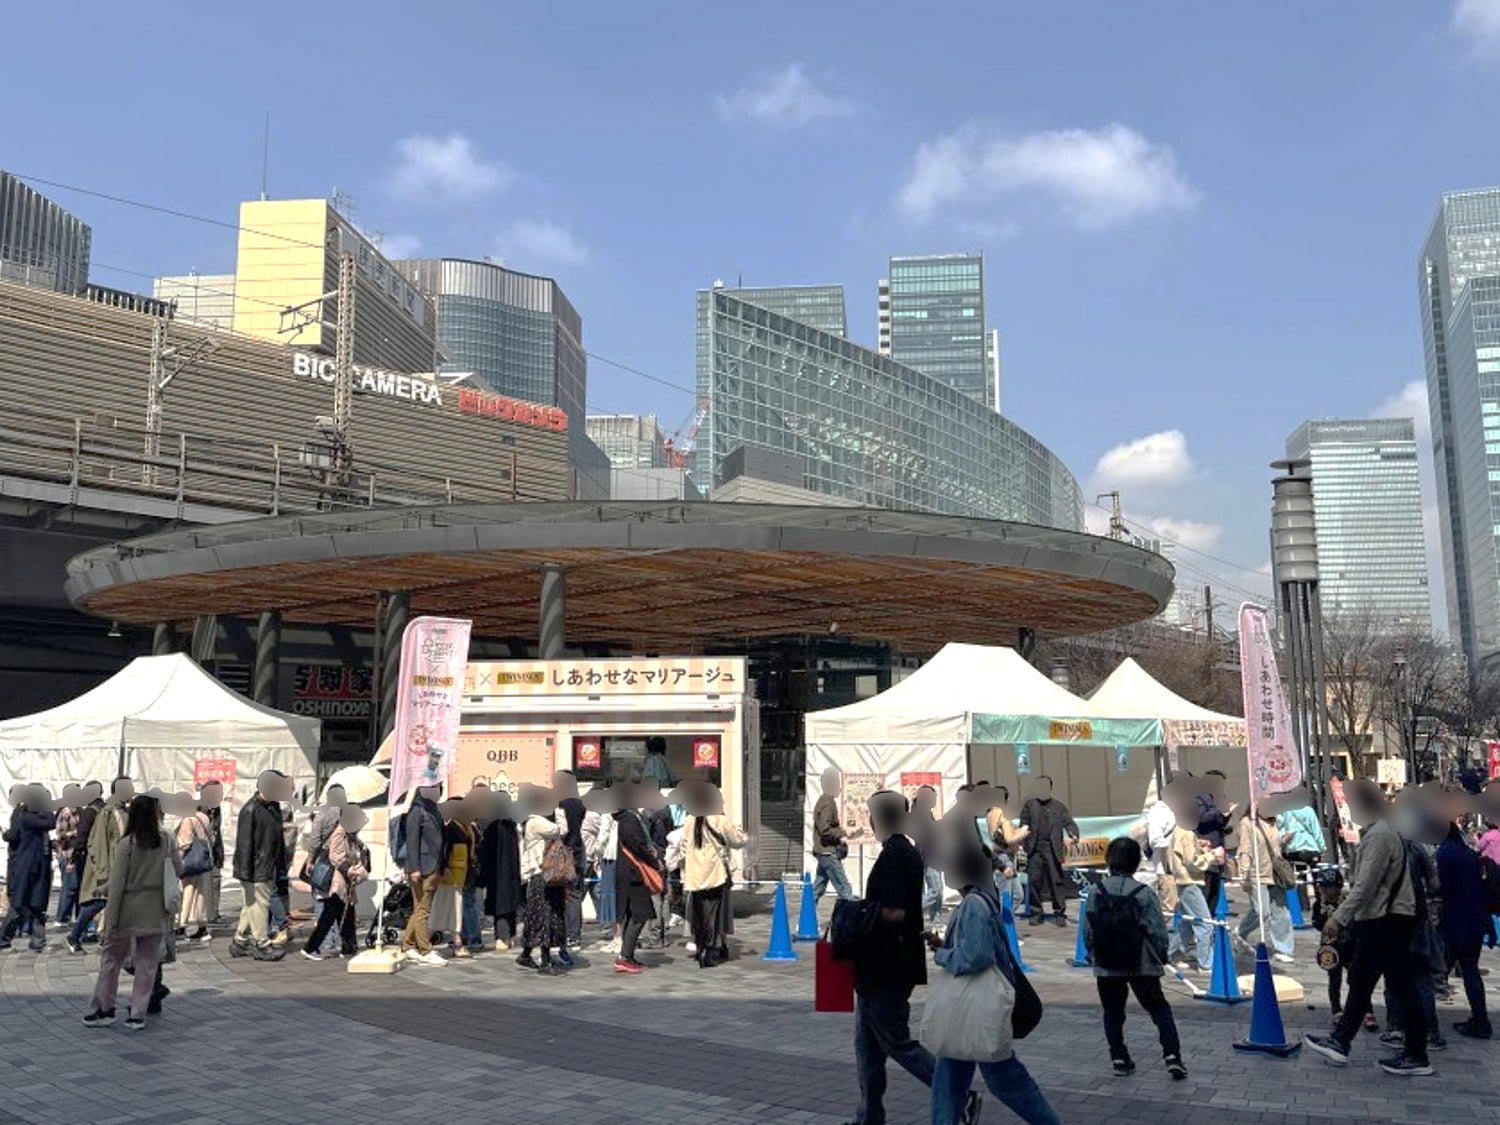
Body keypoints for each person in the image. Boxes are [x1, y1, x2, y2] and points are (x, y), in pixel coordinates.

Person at [927, 811, 1061, 1125]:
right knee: (953, 1079)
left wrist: (943, 955)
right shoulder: (979, 900)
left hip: (976, 1008)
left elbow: (976, 956)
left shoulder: (974, 904)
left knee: (1005, 1080)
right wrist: (945, 945)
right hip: (970, 1011)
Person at [1304, 779, 1432, 1076]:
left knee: (1391, 985)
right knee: (1371, 982)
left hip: (1384, 920)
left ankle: (1413, 1054)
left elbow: (1365, 886)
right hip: (1389, 919)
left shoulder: (1380, 836)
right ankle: (1344, 1042)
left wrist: (1338, 918)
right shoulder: (1385, 832)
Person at [842, 790, 934, 1125]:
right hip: (879, 967)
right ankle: (869, 1117)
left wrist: (857, 912)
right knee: (868, 1049)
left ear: (879, 817)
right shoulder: (900, 851)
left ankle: (955, 1090)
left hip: (888, 966)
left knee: (896, 1041)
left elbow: (896, 912)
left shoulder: (897, 854)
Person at [1083, 837, 1187, 1079]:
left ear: (1108, 861)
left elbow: (1088, 930)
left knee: (1112, 1012)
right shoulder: (1144, 893)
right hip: (1142, 962)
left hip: (1107, 963)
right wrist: (1162, 956)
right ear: (1135, 863)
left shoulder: (1096, 891)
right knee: (1159, 1009)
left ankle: (1119, 1058)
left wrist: (1092, 954)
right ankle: (1172, 1056)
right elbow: (1157, 931)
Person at [83, 794, 182, 1030]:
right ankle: (138, 1013)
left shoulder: (127, 844)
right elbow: (179, 868)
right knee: (147, 963)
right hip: (156, 908)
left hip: (127, 909)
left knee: (111, 960)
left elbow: (118, 884)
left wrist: (110, 920)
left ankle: (105, 1009)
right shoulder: (166, 841)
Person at [1437, 818, 1492, 1038]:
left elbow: (1440, 887)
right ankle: (1480, 1020)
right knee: (1470, 970)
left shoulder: (1445, 854)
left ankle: (1425, 1029)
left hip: (1455, 921)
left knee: (1435, 973)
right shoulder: (1468, 854)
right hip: (1475, 920)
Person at [681, 788, 747, 968]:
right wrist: (741, 832)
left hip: (695, 876)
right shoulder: (719, 820)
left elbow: (683, 846)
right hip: (714, 875)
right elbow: (737, 841)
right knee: (714, 914)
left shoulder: (690, 820)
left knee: (699, 915)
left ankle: (700, 947)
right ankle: (709, 951)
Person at [70, 777, 133, 954]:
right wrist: (103, 871)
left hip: (123, 865)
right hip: (111, 866)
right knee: (99, 902)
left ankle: (107, 940)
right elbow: (97, 844)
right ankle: (75, 936)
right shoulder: (108, 813)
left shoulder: (126, 812)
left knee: (116, 904)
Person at [231, 770, 287, 961]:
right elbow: (244, 844)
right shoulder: (251, 810)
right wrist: (245, 873)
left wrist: (281, 863)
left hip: (266, 864)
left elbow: (278, 839)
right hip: (256, 867)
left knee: (252, 905)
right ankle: (260, 943)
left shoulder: (273, 806)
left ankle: (239, 941)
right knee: (260, 906)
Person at [300, 806, 369, 961]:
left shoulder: (351, 836)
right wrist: (350, 869)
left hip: (346, 882)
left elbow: (354, 853)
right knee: (329, 916)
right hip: (338, 882)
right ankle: (310, 947)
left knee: (347, 915)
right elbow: (335, 856)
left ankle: (348, 948)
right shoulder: (340, 833)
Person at [517, 788, 567, 974]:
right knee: (544, 915)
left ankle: (526, 954)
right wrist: (559, 812)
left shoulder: (535, 821)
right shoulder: (536, 822)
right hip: (541, 875)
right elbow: (561, 830)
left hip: (544, 874)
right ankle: (545, 961)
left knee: (540, 915)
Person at [1, 785, 56, 951]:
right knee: (20, 904)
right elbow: (50, 822)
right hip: (27, 865)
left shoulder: (33, 813)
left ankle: (38, 942)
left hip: (41, 864)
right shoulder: (26, 815)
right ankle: (3, 938)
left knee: (38, 904)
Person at [614, 788, 662, 974]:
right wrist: (654, 861)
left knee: (632, 915)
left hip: (628, 872)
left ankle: (628, 955)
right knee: (639, 914)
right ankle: (625, 957)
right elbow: (639, 845)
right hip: (633, 874)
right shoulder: (629, 819)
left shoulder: (626, 818)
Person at [1237, 809, 1295, 963]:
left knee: (1281, 912)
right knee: (1261, 912)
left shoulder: (1273, 822)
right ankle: (1240, 932)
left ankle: (1283, 948)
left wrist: (1284, 841)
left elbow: (1275, 846)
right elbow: (1245, 849)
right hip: (1257, 872)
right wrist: (1244, 873)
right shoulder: (1248, 823)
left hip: (1275, 874)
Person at [399, 783, 447, 967]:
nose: (439, 791)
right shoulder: (417, 810)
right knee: (422, 910)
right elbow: (412, 841)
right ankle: (425, 949)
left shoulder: (434, 809)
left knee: (420, 908)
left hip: (434, 866)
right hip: (422, 867)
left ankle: (407, 945)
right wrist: (414, 868)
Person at [1020, 777, 1079, 926]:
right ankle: (1036, 913)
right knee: (1034, 882)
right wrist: (1022, 843)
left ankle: (1059, 913)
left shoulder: (1059, 807)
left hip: (1052, 850)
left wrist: (1073, 834)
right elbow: (1024, 824)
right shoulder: (1030, 805)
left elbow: (1069, 823)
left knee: (1056, 882)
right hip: (1034, 849)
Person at [1165, 821, 1214, 973]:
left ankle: (1174, 953)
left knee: (1185, 922)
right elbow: (1192, 862)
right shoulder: (1187, 832)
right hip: (1189, 881)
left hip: (1182, 881)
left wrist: (1198, 845)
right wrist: (1211, 856)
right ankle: (1205, 964)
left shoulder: (1179, 829)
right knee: (1205, 924)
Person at [479, 804, 523, 951]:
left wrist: (482, 875)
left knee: (500, 906)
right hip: (512, 872)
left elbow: (487, 853)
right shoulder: (512, 827)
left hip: (497, 872)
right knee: (511, 904)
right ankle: (511, 935)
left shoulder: (493, 827)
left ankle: (502, 937)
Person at [582, 782, 620, 953]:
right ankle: (606, 927)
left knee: (597, 892)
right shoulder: (593, 815)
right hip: (591, 857)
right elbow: (603, 832)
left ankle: (606, 927)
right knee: (588, 892)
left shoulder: (591, 813)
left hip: (592, 857)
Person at [554, 770, 588, 953]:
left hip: (565, 852)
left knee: (565, 894)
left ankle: (567, 934)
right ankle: (574, 935)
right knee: (575, 894)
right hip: (578, 851)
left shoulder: (561, 804)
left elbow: (562, 830)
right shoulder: (580, 804)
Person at [813, 767, 857, 905]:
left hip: (822, 850)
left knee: (818, 888)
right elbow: (824, 829)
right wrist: (843, 833)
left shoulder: (823, 801)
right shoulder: (828, 802)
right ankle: (850, 917)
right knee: (844, 889)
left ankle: (806, 915)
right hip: (828, 851)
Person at [174, 797, 214, 941]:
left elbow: (185, 843)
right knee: (201, 894)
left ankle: (182, 925)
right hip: (202, 860)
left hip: (190, 860)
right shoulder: (204, 818)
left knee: (187, 892)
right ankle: (202, 926)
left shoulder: (187, 819)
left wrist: (178, 860)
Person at [1195, 771, 1234, 913]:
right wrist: (1220, 811)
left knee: (1215, 892)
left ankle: (1210, 919)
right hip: (1206, 848)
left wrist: (1227, 815)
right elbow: (1200, 818)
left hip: (1218, 848)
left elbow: (1220, 822)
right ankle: (1204, 921)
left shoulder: (1219, 798)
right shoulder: (1198, 798)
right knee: (1206, 890)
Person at [984, 785, 1028, 906]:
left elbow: (998, 835)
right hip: (1004, 856)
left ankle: (1003, 916)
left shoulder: (991, 813)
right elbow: (1006, 838)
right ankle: (1001, 917)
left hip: (1004, 855)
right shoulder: (1000, 814)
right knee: (1007, 897)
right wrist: (1021, 833)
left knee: (1016, 895)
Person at [911, 786, 945, 927]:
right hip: (928, 856)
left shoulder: (924, 813)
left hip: (932, 855)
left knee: (937, 890)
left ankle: (936, 921)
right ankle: (913, 910)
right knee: (935, 890)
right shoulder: (921, 814)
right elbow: (922, 838)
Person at [54, 793, 84, 927]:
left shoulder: (81, 811)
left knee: (77, 886)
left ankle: (77, 916)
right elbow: (60, 834)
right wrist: (76, 833)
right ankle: (62, 918)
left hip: (77, 853)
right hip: (67, 853)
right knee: (69, 886)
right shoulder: (65, 812)